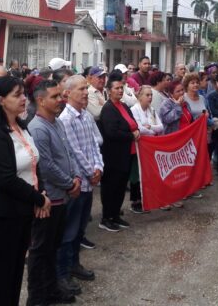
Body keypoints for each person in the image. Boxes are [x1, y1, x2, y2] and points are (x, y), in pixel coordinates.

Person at [0, 76, 51, 306]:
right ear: (1, 100)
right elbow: (6, 178)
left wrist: (43, 193)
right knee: (2, 276)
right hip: (3, 214)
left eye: (23, 93)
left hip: (22, 210)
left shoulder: (21, 126)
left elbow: (34, 162)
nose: (23, 99)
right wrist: (39, 198)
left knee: (16, 271)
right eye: (17, 95)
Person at [26, 80, 82, 304]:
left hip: (63, 195)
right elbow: (46, 166)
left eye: (61, 95)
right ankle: (38, 296)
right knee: (41, 251)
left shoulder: (57, 123)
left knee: (53, 247)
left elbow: (68, 152)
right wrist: (70, 183)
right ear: (40, 100)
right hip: (49, 199)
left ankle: (51, 289)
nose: (61, 99)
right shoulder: (37, 128)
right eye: (55, 96)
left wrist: (76, 176)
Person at [58, 75, 103, 287]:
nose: (86, 92)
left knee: (80, 228)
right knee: (69, 230)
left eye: (86, 88)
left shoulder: (85, 116)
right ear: (68, 93)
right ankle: (63, 272)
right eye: (81, 89)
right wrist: (90, 172)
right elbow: (73, 152)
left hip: (89, 182)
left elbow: (95, 145)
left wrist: (98, 168)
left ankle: (74, 263)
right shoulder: (65, 119)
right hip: (78, 184)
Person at [98, 72, 139, 232]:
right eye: (116, 88)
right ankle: (106, 217)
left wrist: (134, 132)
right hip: (112, 156)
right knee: (110, 187)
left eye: (121, 88)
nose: (120, 91)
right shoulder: (108, 109)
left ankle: (115, 215)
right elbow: (111, 132)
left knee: (121, 186)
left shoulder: (124, 106)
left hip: (126, 153)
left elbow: (133, 123)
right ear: (109, 90)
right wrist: (130, 134)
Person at [129, 86, 163, 213]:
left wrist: (150, 127)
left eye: (151, 95)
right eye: (147, 95)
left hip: (150, 146)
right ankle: (135, 201)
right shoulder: (134, 110)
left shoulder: (152, 110)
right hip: (138, 145)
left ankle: (146, 199)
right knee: (136, 173)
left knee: (148, 173)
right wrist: (150, 129)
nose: (150, 97)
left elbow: (161, 127)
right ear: (140, 96)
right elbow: (138, 128)